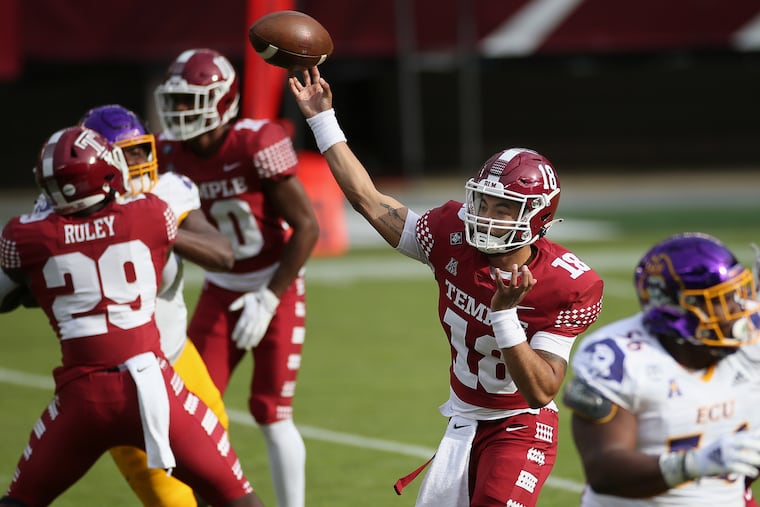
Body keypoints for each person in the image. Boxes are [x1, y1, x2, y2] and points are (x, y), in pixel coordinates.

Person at [288, 66, 604, 507]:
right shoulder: (450, 233)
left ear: (537, 218)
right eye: (483, 202)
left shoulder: (567, 284)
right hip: (462, 422)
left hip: (520, 425)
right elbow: (369, 200)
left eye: (504, 208)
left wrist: (504, 314)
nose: (486, 216)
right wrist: (323, 119)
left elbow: (541, 391)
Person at [0, 125, 265, 506]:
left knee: (20, 500)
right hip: (151, 386)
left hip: (81, 397)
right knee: (237, 498)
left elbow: (9, 294)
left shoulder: (27, 237)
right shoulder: (149, 214)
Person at [154, 48, 319, 507]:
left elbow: (307, 228)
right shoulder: (167, 153)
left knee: (271, 412)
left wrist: (268, 297)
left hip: (275, 285)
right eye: (177, 101)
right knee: (192, 409)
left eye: (192, 100)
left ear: (223, 100)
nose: (181, 111)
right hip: (219, 290)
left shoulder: (255, 141)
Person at [79, 104, 235, 506]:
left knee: (226, 492)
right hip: (120, 383)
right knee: (172, 502)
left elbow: (223, 255)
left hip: (180, 360)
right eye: (126, 153)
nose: (139, 162)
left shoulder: (166, 192)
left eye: (140, 149)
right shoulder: (71, 213)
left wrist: (154, 227)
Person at [563, 232, 760, 506]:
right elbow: (604, 469)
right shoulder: (618, 356)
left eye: (735, 296)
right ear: (674, 308)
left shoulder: (752, 341)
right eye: (719, 300)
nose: (737, 310)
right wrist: (696, 463)